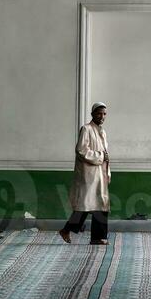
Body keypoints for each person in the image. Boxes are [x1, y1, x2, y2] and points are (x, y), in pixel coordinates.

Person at [59, 102, 111, 246]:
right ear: (93, 114)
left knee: (100, 205)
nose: (102, 116)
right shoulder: (86, 129)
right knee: (85, 206)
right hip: (89, 175)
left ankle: (97, 237)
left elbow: (106, 155)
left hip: (101, 174)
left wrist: (108, 173)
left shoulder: (103, 132)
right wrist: (100, 156)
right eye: (99, 113)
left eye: (104, 114)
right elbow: (81, 150)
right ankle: (66, 229)